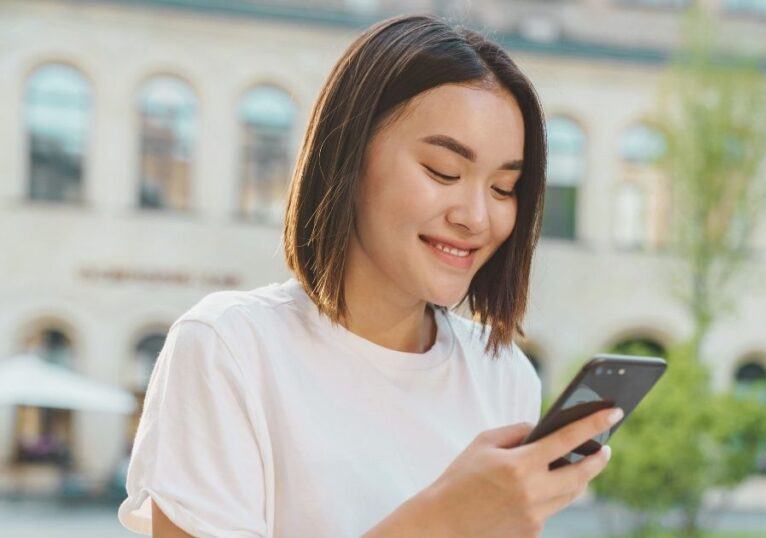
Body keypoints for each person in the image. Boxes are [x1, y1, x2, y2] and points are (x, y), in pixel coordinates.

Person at [117, 13, 623, 538]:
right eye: (443, 172)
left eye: (502, 189)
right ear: (349, 157)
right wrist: (443, 519)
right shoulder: (230, 347)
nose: (476, 216)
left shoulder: (505, 375)